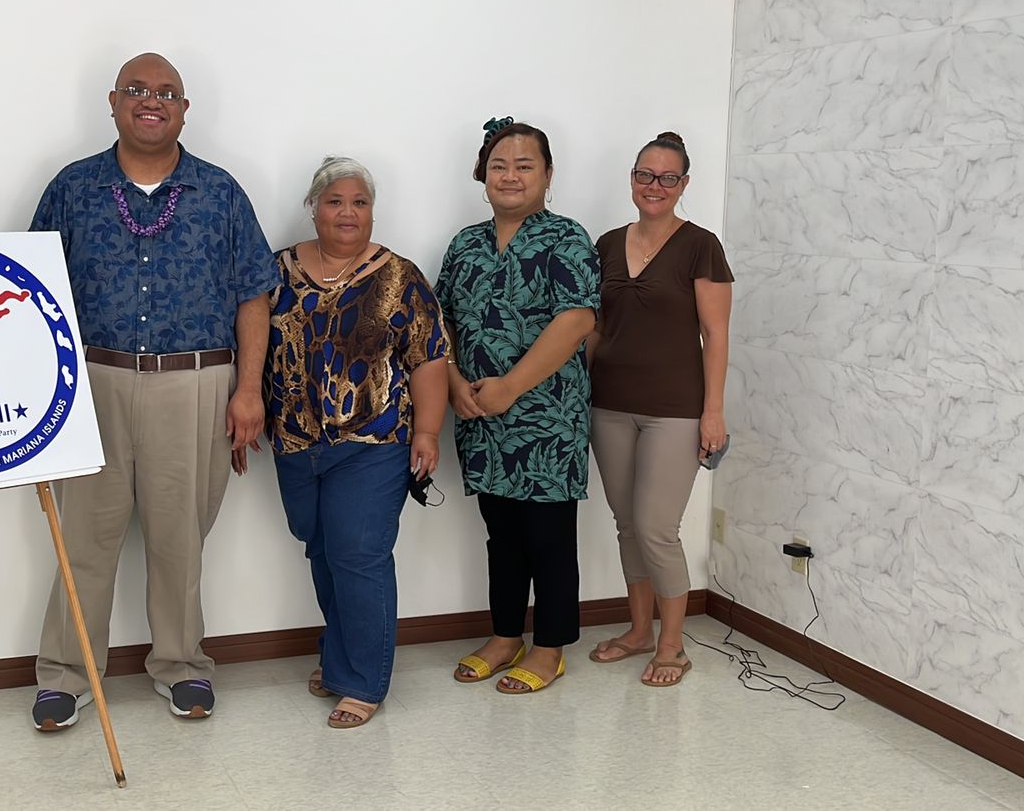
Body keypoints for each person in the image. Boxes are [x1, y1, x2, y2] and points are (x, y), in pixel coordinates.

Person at [27, 53, 277, 729]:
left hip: (194, 383)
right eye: (137, 89)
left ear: (184, 110)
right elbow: (31, 290)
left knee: (179, 540)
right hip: (93, 383)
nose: (152, 101)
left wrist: (248, 389)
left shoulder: (220, 192)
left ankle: (181, 664)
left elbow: (256, 292)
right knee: (84, 539)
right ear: (113, 102)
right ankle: (67, 672)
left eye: (167, 92)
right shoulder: (73, 188)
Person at [232, 156, 448, 728]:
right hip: (295, 440)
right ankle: (340, 655)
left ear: (372, 211)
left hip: (375, 441)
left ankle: (363, 681)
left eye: (359, 202)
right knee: (321, 548)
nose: (347, 212)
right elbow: (250, 341)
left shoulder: (399, 276)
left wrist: (426, 430)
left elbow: (428, 357)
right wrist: (247, 403)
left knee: (358, 553)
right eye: (335, 201)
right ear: (314, 207)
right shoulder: (274, 270)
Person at [437, 118, 600, 695]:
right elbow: (442, 324)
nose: (510, 175)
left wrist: (509, 386)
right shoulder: (465, 245)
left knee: (548, 538)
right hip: (480, 418)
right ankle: (506, 636)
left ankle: (550, 647)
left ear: (547, 175)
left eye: (524, 165)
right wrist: (454, 381)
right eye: (500, 165)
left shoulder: (566, 239)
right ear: (483, 174)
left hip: (547, 418)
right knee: (501, 534)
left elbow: (577, 319)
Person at [585, 131, 733, 687]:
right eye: (645, 174)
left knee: (656, 527)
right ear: (632, 178)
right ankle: (638, 631)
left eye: (668, 178)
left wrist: (712, 412)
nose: (655, 186)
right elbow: (595, 329)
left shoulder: (700, 245)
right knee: (628, 526)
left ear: (684, 185)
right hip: (610, 404)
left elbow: (715, 334)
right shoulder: (604, 245)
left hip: (675, 408)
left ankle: (672, 645)